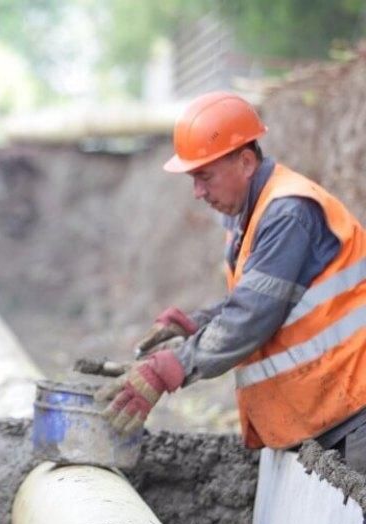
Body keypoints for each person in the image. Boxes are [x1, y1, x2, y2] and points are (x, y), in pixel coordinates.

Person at [99, 91, 366, 469]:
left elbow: (251, 318)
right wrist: (199, 325)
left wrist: (171, 368)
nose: (198, 192)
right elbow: (266, 300)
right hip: (336, 409)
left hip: (355, 410)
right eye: (194, 179)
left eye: (205, 176)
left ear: (244, 161)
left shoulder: (288, 213)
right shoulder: (253, 214)